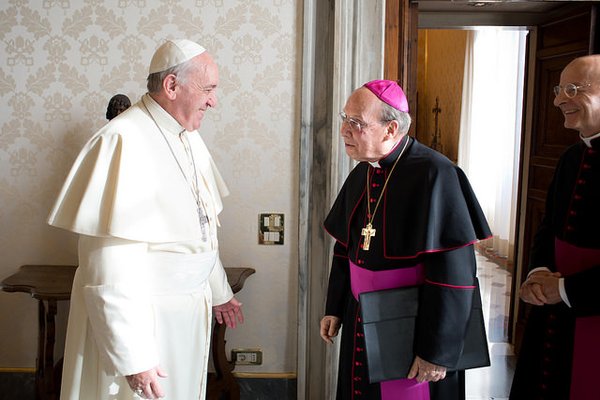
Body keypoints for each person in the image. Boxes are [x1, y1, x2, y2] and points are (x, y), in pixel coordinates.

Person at [48, 39, 244, 400]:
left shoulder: (187, 136)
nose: (213, 101)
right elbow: (107, 265)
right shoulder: (122, 140)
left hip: (185, 315)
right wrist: (133, 356)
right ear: (172, 86)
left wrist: (218, 291)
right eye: (208, 89)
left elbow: (201, 231)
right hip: (145, 324)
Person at [319, 80, 491, 400]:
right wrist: (335, 307)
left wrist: (437, 351)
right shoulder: (363, 172)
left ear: (390, 129)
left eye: (355, 122)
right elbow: (345, 248)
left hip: (415, 330)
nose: (343, 130)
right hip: (360, 317)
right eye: (344, 118)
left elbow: (454, 276)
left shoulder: (436, 174)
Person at [509, 55, 600, 400]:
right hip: (553, 316)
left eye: (573, 89)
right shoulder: (570, 157)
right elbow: (548, 227)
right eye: (559, 90)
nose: (559, 99)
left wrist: (564, 289)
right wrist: (538, 273)